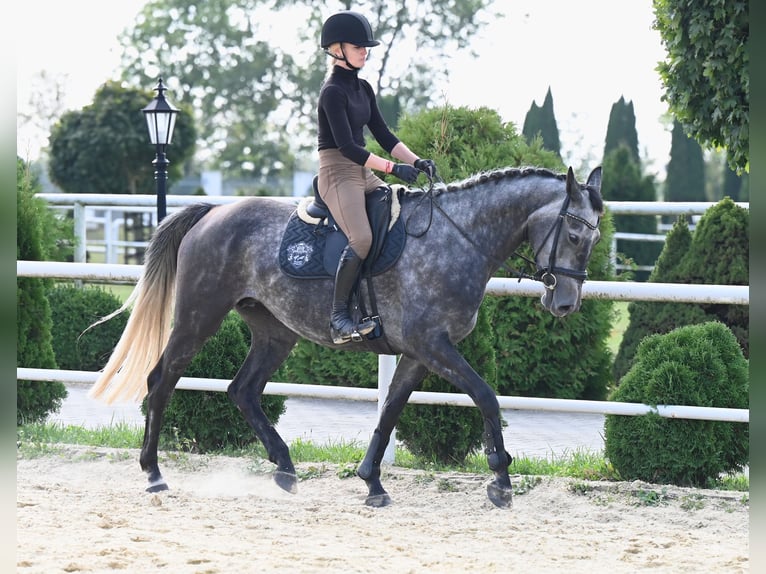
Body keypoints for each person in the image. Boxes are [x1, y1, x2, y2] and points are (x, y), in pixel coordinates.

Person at [318, 10, 437, 345]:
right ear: (337, 49)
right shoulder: (332, 92)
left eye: (366, 47)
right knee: (362, 239)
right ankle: (339, 318)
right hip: (338, 173)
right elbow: (348, 148)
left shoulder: (363, 88)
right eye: (359, 46)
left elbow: (384, 135)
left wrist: (417, 160)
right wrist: (393, 169)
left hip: (363, 171)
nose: (365, 51)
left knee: (399, 215)